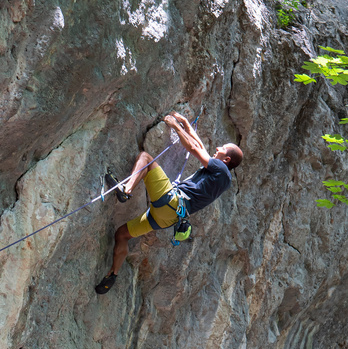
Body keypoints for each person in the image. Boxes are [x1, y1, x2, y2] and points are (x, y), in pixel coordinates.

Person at [96, 112, 243, 294]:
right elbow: (198, 145)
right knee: (122, 234)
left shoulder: (220, 168)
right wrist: (186, 125)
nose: (218, 148)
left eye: (222, 148)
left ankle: (125, 190)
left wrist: (174, 125)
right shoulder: (221, 177)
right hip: (167, 219)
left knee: (146, 158)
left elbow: (194, 149)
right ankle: (113, 273)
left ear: (226, 159)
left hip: (171, 201)